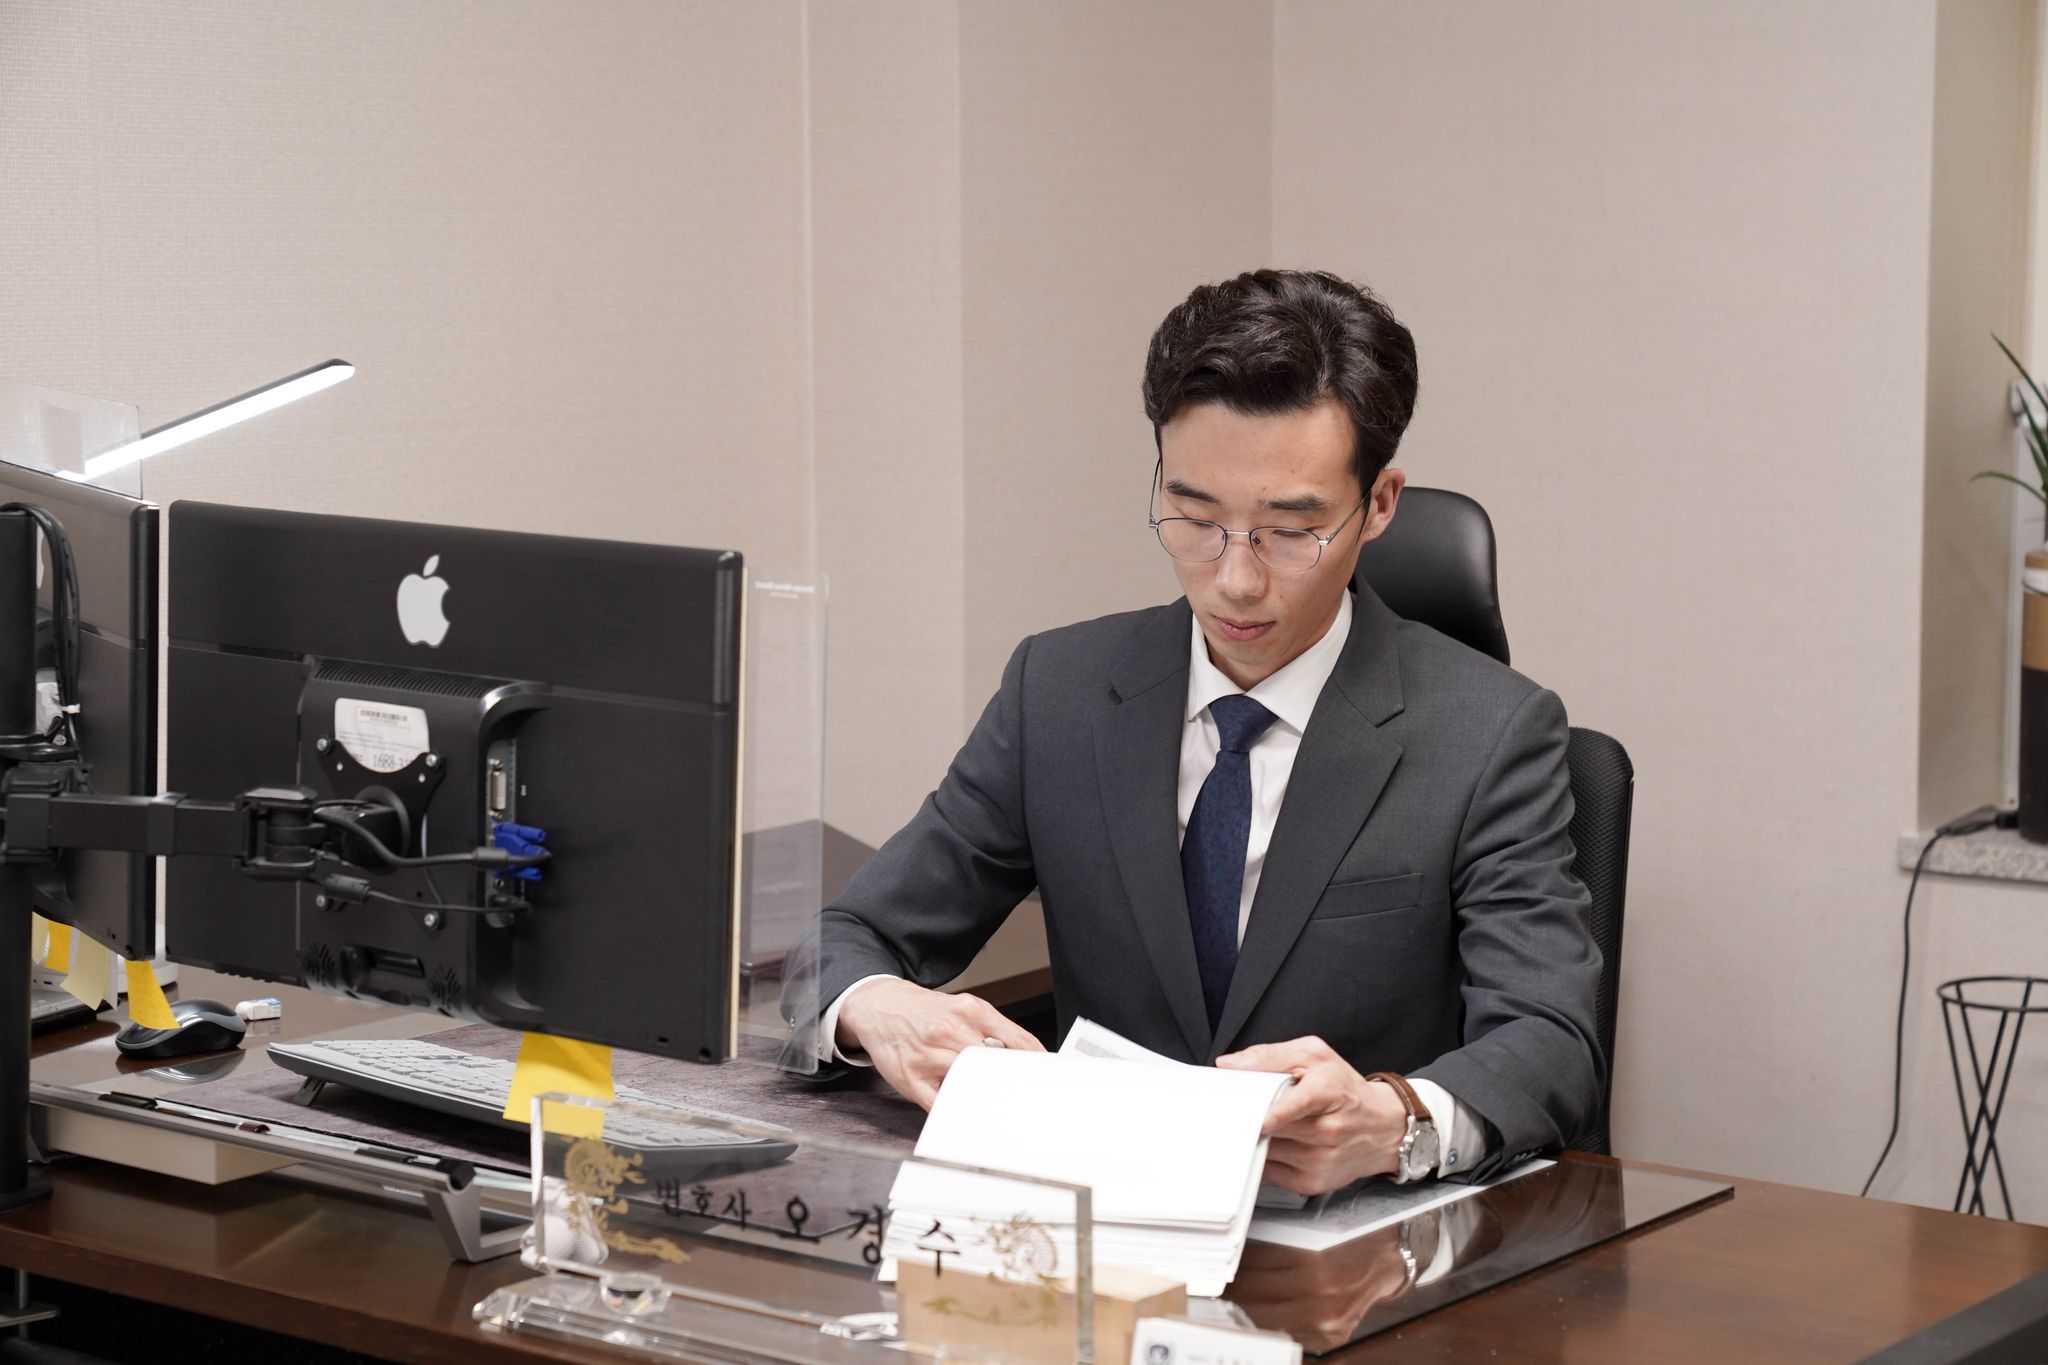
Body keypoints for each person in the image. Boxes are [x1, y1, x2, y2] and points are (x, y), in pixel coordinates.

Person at [810, 268, 1602, 1193]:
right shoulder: (1059, 690)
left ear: (1380, 504)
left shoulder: (1490, 732)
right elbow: (847, 934)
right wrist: (876, 1004)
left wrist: (1397, 1121)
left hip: (1340, 1230)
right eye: (1195, 517)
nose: (1234, 580)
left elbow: (1551, 1038)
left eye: (1290, 530)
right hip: (1098, 1216)